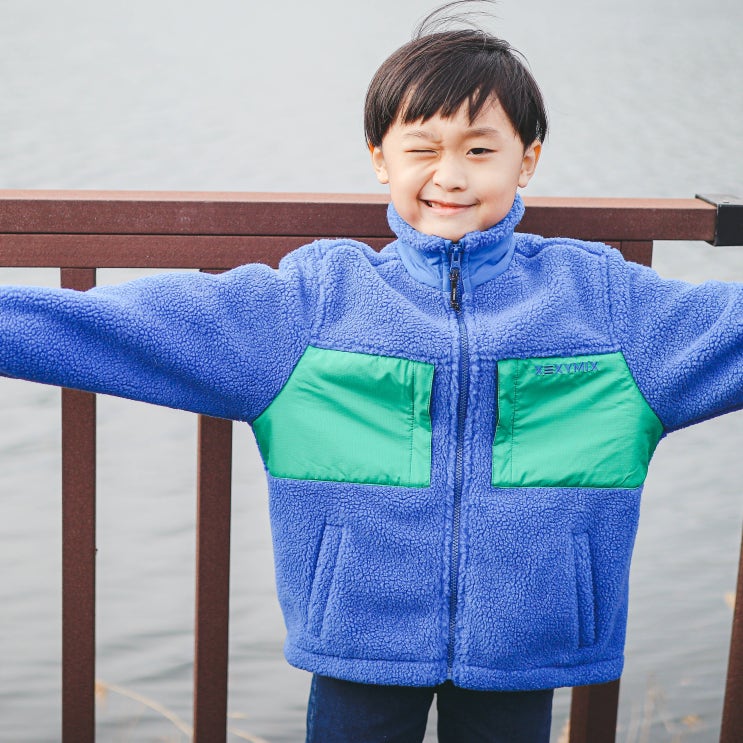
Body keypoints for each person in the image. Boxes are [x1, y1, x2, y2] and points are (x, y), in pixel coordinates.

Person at [2, 10, 742, 743]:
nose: (449, 175)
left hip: (523, 648)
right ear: (380, 158)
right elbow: (119, 327)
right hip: (358, 642)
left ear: (527, 160)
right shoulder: (317, 304)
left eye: (480, 149)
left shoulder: (601, 305)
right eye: (422, 148)